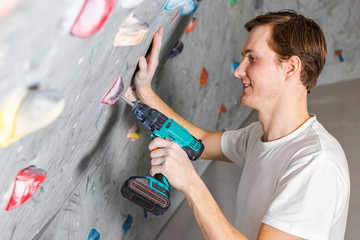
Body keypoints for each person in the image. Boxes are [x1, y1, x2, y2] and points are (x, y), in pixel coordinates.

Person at [133, 10, 350, 239]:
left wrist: (190, 183)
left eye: (252, 59)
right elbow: (200, 142)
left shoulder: (316, 163)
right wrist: (145, 90)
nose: (238, 71)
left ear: (291, 67)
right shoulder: (259, 135)